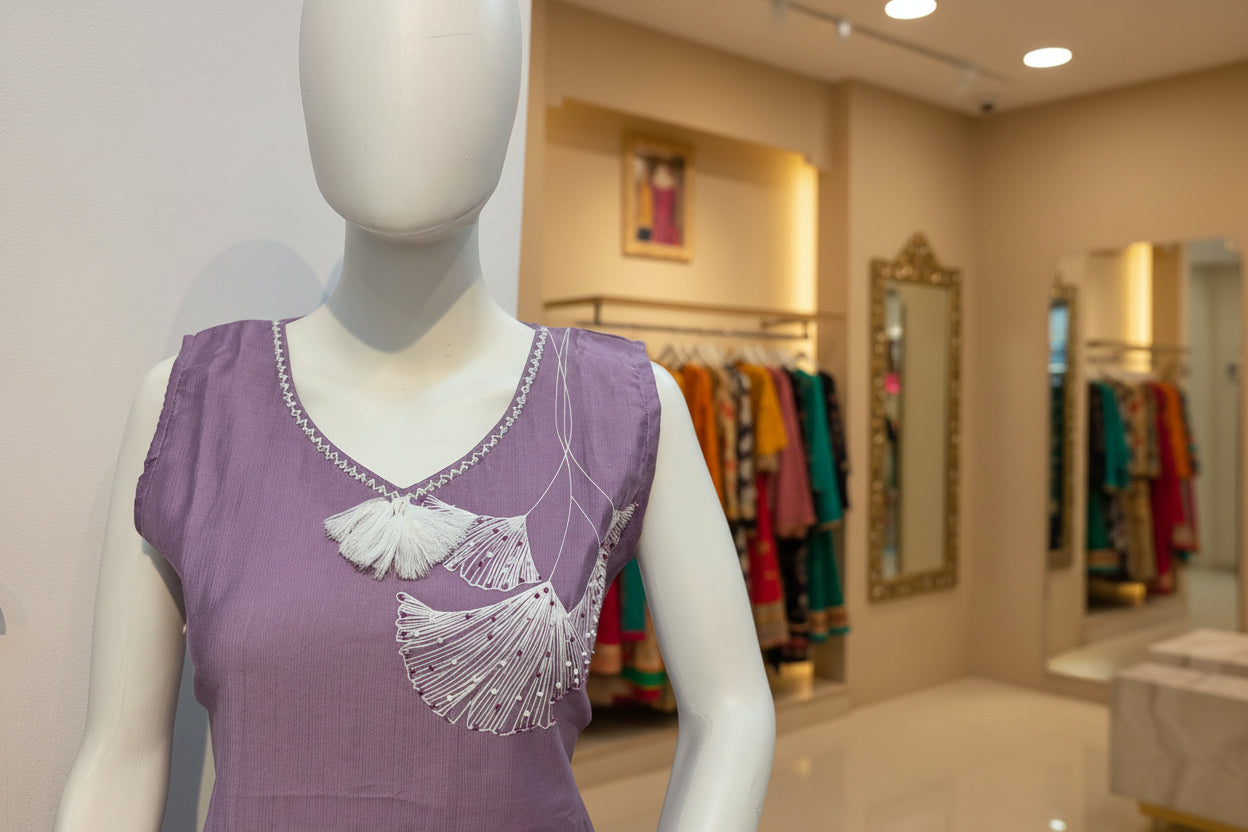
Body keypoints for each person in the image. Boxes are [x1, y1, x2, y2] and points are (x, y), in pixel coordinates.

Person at [54, 2, 775, 830]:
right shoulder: (192, 409)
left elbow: (733, 715)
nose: (402, 78)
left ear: (509, 89)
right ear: (308, 86)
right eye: (355, 42)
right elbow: (120, 753)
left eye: (452, 42)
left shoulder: (617, 406)